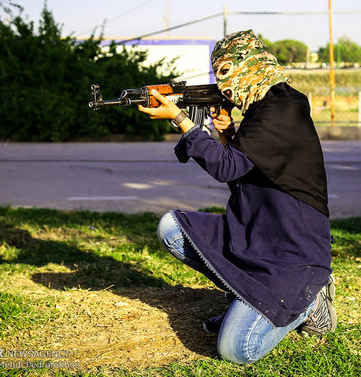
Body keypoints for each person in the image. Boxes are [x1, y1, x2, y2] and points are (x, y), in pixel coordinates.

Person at [138, 30, 336, 364]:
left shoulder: (282, 109)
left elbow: (226, 168)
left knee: (236, 349)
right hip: (254, 237)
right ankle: (248, 297)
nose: (225, 87)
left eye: (228, 74)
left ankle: (310, 302)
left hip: (291, 253)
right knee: (172, 228)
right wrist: (227, 134)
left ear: (251, 67)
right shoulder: (266, 109)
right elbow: (243, 176)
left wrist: (181, 119)